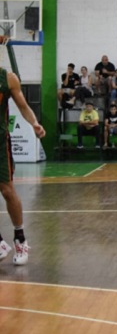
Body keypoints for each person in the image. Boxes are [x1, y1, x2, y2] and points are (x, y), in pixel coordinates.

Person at [0, 65, 45, 266]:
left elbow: (24, 106)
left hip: (0, 143)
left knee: (7, 190)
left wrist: (34, 123)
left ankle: (20, 239)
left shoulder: (8, 79)